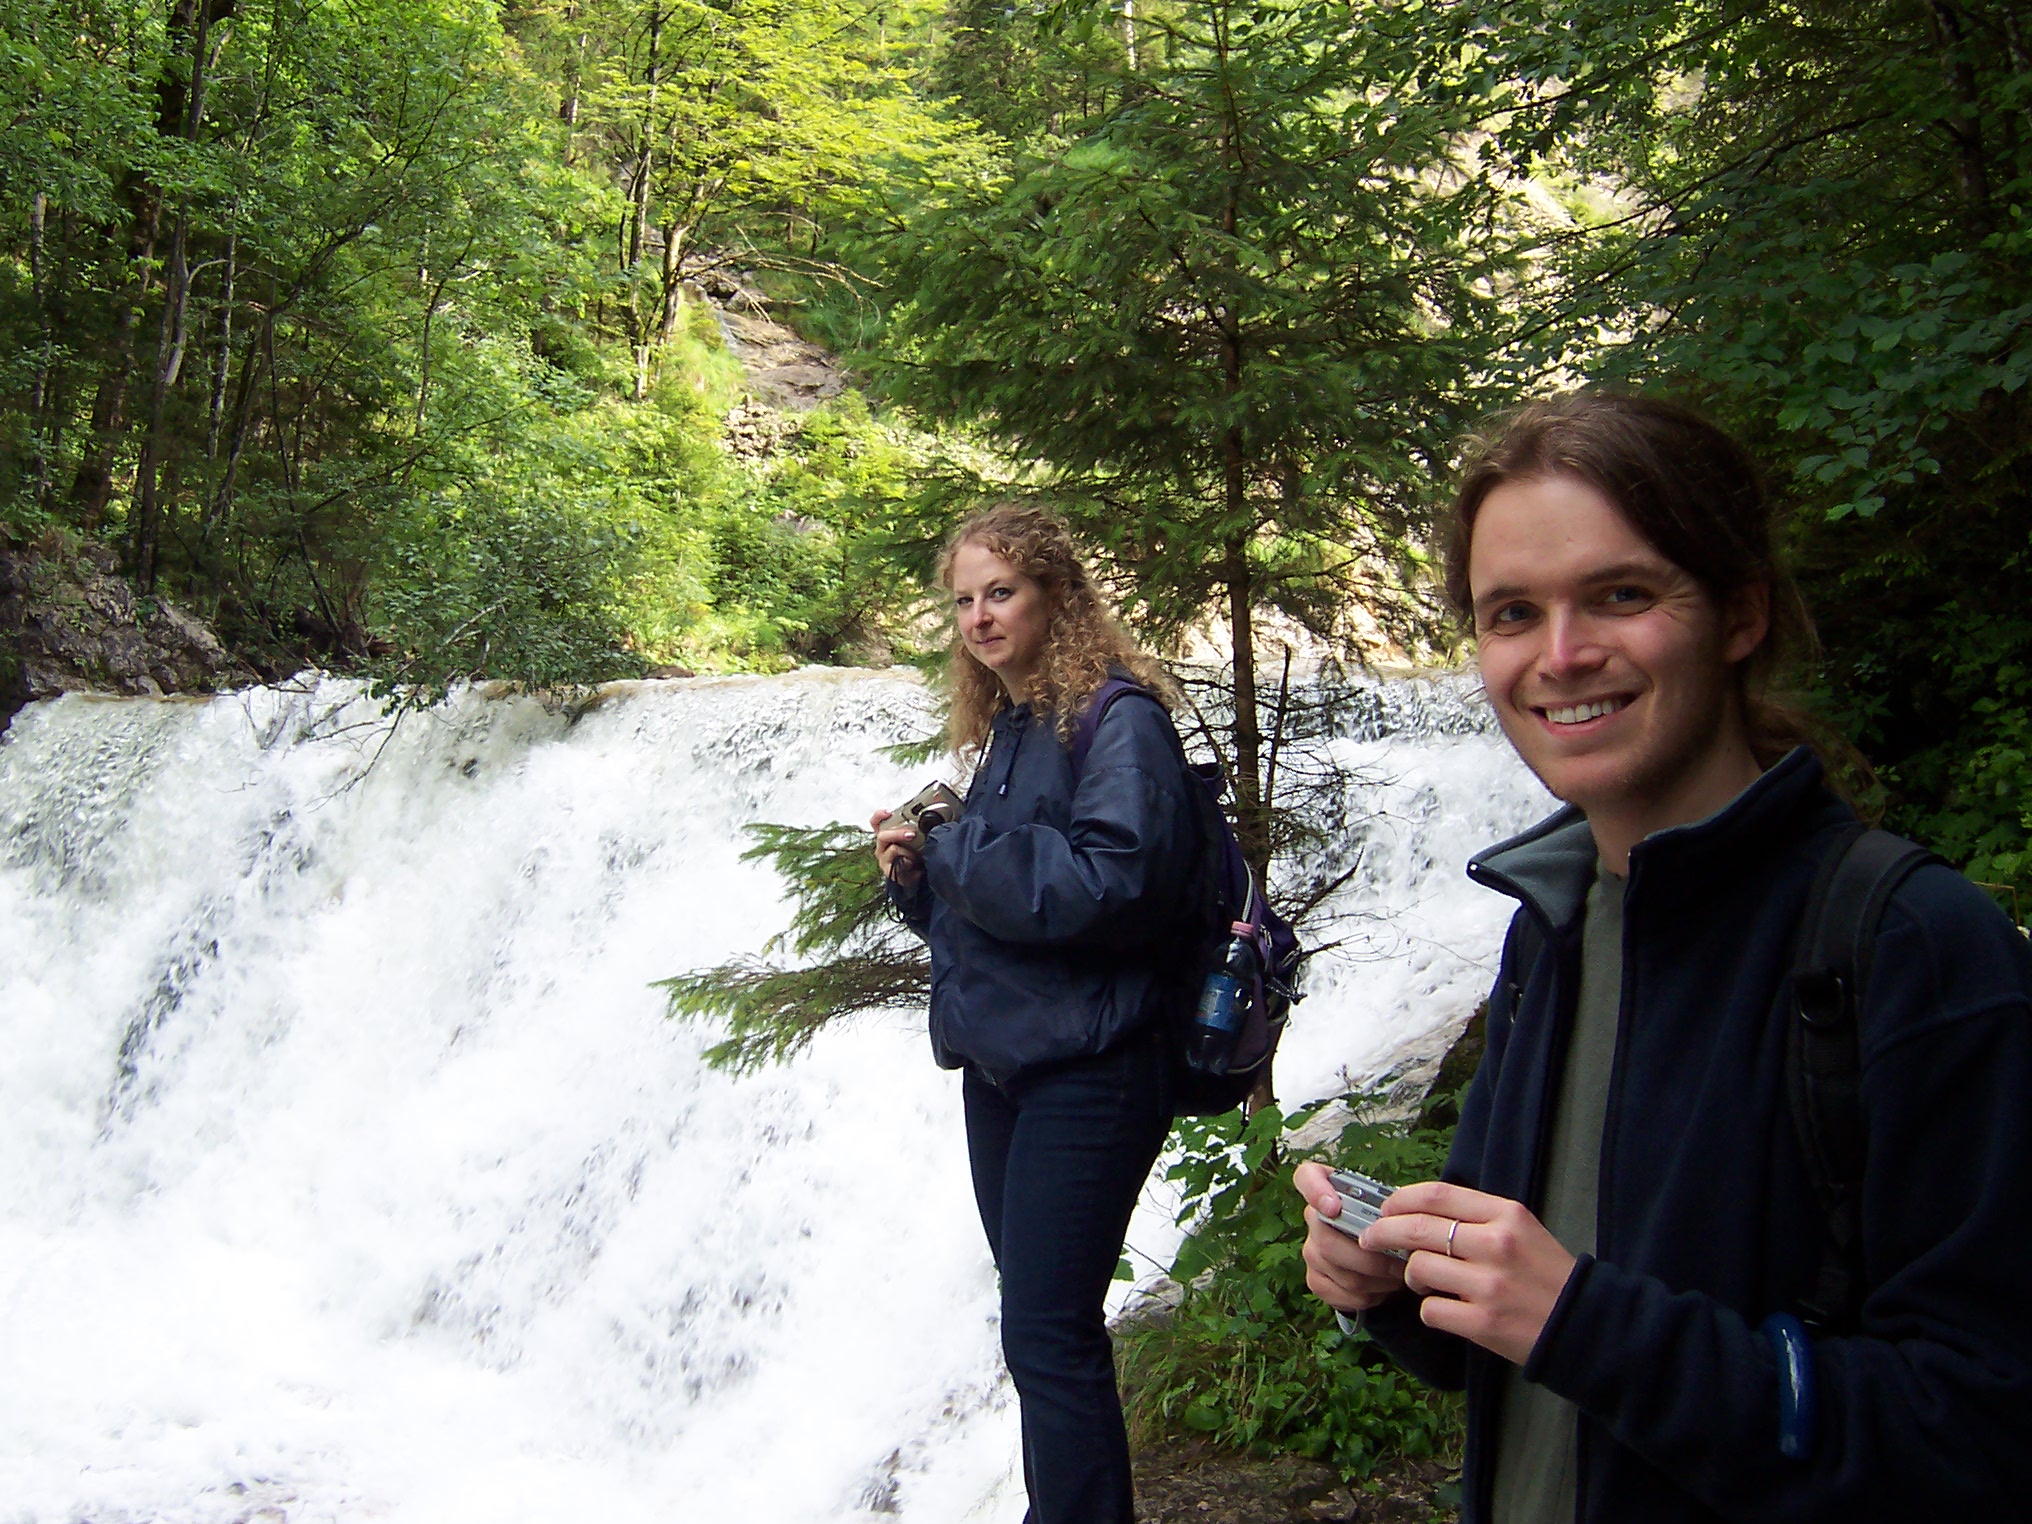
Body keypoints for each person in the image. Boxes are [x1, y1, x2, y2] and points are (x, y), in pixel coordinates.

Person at [1292, 392, 2032, 1522]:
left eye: (1621, 596)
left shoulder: (1913, 949)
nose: (1561, 656)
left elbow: (1981, 1434)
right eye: (1512, 613)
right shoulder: (1550, 930)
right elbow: (1519, 1340)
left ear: (1740, 613)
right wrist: (1393, 1286)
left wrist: (1589, 1325)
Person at [873, 504, 1200, 1524]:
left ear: (1057, 596)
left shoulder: (1119, 719)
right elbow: (1002, 910)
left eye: (1001, 593)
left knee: (1048, 1332)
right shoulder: (1011, 728)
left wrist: (954, 849)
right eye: (963, 600)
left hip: (1094, 1064)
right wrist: (918, 881)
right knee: (1038, 1326)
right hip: (1008, 1065)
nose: (978, 617)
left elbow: (1110, 884)